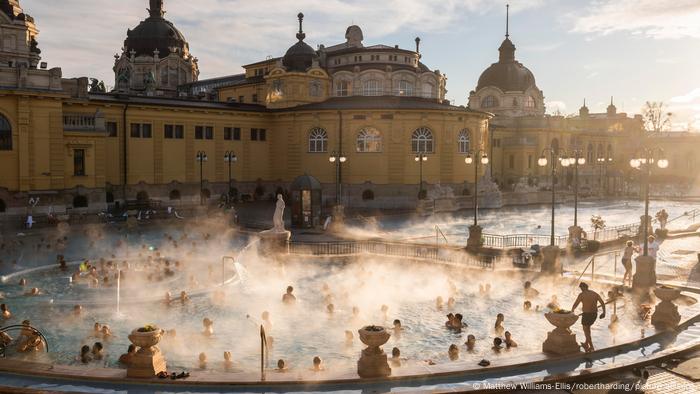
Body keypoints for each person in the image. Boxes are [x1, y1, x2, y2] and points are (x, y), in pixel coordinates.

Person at [571, 282, 606, 353]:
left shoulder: (582, 295)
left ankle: (592, 347)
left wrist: (572, 311)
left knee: (586, 330)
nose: (581, 289)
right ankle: (586, 343)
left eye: (581, 288)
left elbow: (576, 304)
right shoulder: (594, 293)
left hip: (586, 315)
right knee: (588, 328)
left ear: (584, 287)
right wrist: (603, 312)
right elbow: (602, 303)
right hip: (594, 314)